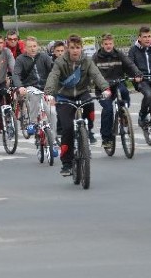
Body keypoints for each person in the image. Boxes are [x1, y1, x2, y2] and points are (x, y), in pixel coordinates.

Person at [45, 34, 111, 176]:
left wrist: (105, 88)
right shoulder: (60, 62)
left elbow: (96, 75)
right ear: (67, 48)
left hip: (82, 93)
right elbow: (53, 77)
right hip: (64, 96)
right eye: (72, 48)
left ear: (81, 48)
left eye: (78, 47)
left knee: (90, 106)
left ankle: (90, 131)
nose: (75, 51)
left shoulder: (86, 61)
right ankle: (67, 163)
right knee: (67, 128)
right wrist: (50, 93)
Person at [91, 33, 142, 149]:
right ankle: (106, 138)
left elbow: (130, 64)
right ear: (102, 45)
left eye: (110, 44)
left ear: (113, 44)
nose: (108, 46)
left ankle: (124, 114)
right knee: (108, 110)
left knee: (124, 91)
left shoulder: (119, 54)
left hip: (118, 83)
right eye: (106, 44)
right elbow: (90, 71)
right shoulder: (96, 57)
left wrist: (137, 73)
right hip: (103, 88)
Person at [12, 36, 54, 138]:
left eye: (34, 46)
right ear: (25, 48)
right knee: (35, 96)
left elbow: (53, 70)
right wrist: (20, 87)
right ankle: (33, 122)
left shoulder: (44, 57)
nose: (33, 48)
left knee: (51, 111)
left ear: (38, 46)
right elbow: (16, 74)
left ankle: (53, 134)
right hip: (30, 87)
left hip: (45, 87)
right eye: (30, 46)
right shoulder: (20, 59)